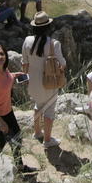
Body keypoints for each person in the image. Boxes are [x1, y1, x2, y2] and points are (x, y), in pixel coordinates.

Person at [21, 11, 66, 148]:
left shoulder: (27, 41)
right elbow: (63, 64)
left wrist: (26, 79)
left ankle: (37, 133)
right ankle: (47, 141)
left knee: (38, 106)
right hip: (48, 83)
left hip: (32, 83)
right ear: (48, 27)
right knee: (49, 111)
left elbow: (24, 63)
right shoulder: (54, 44)